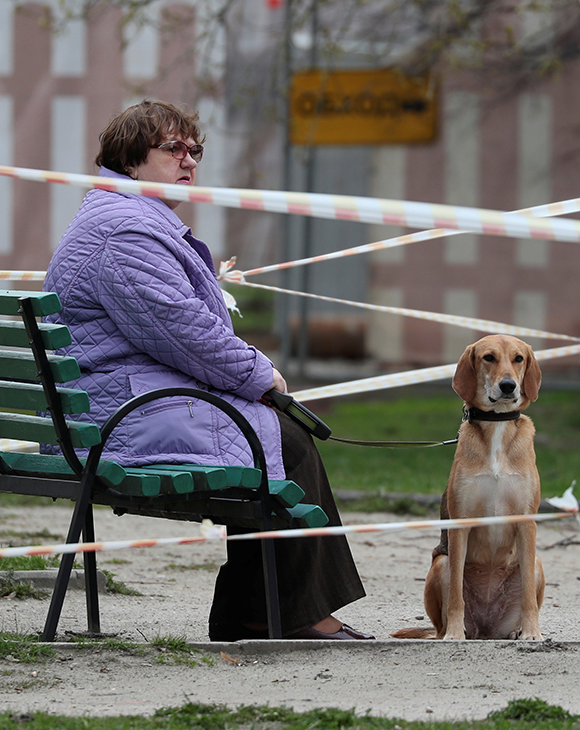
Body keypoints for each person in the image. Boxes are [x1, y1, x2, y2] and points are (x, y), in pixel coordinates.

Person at [43, 99, 371, 640]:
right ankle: (292, 615)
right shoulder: (124, 232)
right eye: (173, 149)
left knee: (273, 437)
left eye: (194, 150)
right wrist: (261, 376)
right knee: (284, 442)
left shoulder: (120, 217)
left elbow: (175, 331)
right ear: (129, 160)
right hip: (118, 421)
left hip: (113, 408)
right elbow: (185, 333)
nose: (189, 160)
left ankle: (260, 611)